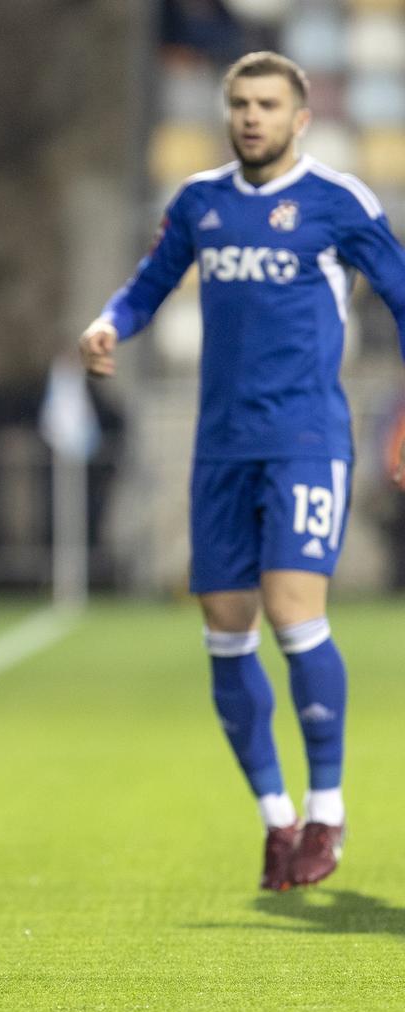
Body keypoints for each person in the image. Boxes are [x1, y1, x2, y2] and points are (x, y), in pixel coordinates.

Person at [79, 51, 405, 892]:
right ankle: (276, 817)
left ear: (301, 118)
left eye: (268, 104)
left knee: (296, 614)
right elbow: (149, 283)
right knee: (225, 629)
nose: (252, 116)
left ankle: (327, 808)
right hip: (219, 447)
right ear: (228, 115)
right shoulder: (200, 202)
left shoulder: (340, 203)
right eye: (241, 104)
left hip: (305, 439)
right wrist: (111, 323)